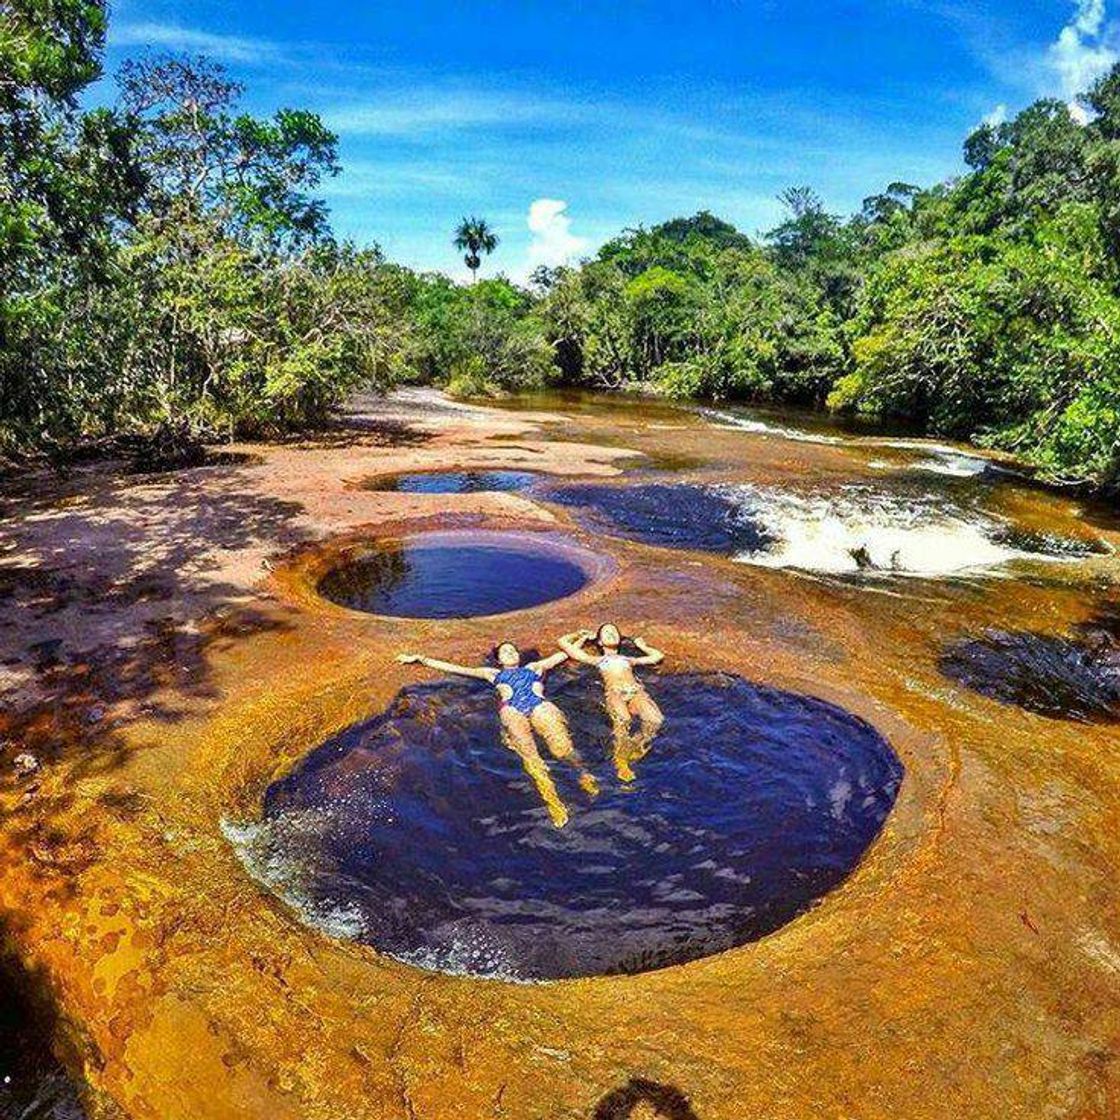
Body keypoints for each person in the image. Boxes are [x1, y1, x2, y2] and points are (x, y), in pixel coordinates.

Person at [395, 641, 598, 828]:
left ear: (519, 656)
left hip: (539, 704)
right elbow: (456, 668)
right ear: (499, 660)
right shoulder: (491, 673)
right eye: (505, 652)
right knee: (530, 755)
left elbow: (563, 654)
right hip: (512, 709)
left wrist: (582, 639)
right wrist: (421, 659)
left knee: (562, 747)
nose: (510, 653)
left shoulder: (535, 667)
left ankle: (582, 772)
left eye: (512, 650)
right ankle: (553, 800)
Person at [557, 624, 664, 782]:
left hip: (635, 691)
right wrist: (581, 635)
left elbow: (657, 656)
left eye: (614, 632)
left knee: (655, 720)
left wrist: (643, 646)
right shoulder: (596, 659)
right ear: (599, 642)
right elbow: (563, 643)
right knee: (623, 721)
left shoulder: (628, 659)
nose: (611, 634)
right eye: (606, 633)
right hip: (615, 693)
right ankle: (621, 762)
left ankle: (638, 745)